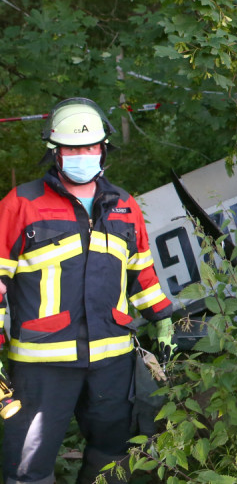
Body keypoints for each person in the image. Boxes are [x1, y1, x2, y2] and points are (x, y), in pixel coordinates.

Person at [0, 98, 175, 484]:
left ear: (104, 150)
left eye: (91, 147)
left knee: (112, 458)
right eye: (73, 149)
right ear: (55, 153)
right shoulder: (21, 204)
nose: (83, 155)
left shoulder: (125, 206)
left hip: (111, 361)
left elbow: (141, 269)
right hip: (41, 366)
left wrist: (162, 317)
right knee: (26, 467)